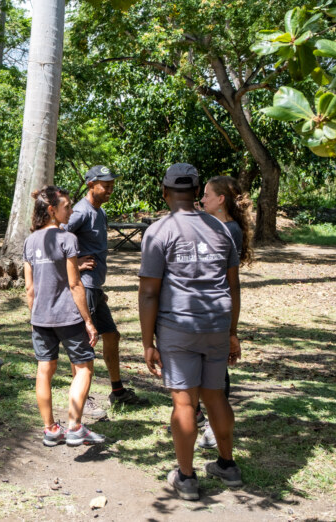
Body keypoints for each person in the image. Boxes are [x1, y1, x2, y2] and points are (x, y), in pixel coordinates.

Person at [138, 164, 243, 501]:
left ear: (165, 191)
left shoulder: (158, 231)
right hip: (216, 324)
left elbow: (149, 292)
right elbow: (233, 286)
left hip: (177, 327)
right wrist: (232, 332)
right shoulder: (222, 229)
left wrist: (147, 342)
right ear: (198, 192)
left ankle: (186, 477)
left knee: (185, 400)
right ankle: (227, 465)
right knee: (215, 395)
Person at [23, 185, 105, 447]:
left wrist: (36, 315)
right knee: (84, 369)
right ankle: (74, 426)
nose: (71, 210)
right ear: (51, 210)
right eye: (67, 206)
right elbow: (75, 284)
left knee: (44, 371)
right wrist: (89, 322)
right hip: (68, 318)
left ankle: (49, 430)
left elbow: (29, 288)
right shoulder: (67, 239)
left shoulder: (29, 241)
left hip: (41, 319)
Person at [64, 165, 147, 413]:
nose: (110, 188)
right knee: (85, 342)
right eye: (105, 184)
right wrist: (74, 264)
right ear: (91, 185)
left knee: (112, 335)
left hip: (95, 288)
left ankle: (118, 392)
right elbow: (53, 240)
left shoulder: (99, 212)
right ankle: (83, 399)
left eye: (112, 184)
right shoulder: (79, 212)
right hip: (84, 286)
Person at [196, 175, 254, 449]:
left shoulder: (228, 231)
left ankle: (212, 426)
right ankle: (200, 416)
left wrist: (233, 330)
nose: (202, 200)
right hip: (203, 309)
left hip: (215, 309)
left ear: (221, 200)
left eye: (207, 195)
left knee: (217, 371)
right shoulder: (216, 226)